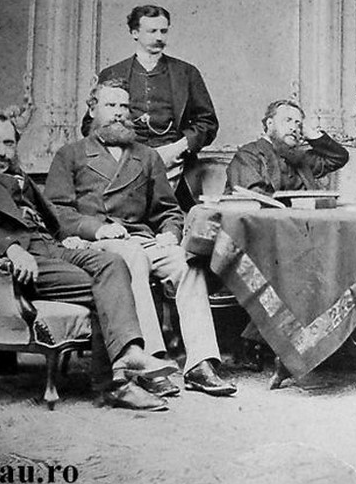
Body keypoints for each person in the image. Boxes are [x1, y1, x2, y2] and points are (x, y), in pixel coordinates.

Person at [0, 114, 175, 411]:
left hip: (53, 249)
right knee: (105, 289)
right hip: (24, 263)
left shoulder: (20, 180)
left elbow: (51, 221)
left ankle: (128, 357)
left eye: (8, 143)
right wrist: (11, 249)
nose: (2, 152)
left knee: (113, 263)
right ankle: (117, 383)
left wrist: (71, 239)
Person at [46, 79, 236, 398]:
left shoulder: (146, 156)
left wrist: (169, 233)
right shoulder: (70, 155)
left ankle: (200, 364)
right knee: (130, 257)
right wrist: (97, 229)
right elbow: (57, 211)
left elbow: (167, 210)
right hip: (99, 244)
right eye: (111, 105)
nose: (120, 113)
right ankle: (151, 359)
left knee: (186, 262)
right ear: (92, 110)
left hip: (142, 239)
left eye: (124, 106)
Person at [82, 5, 218, 209]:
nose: (159, 37)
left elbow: (208, 123)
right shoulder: (112, 74)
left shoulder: (187, 73)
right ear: (134, 33)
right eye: (152, 31)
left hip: (176, 166)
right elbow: (90, 125)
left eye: (163, 31)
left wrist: (177, 148)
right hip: (124, 166)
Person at [225, 99, 349, 195]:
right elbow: (253, 199)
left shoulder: (300, 158)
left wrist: (311, 134)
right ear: (270, 124)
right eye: (288, 120)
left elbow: (339, 157)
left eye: (298, 124)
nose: (294, 128)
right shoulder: (248, 154)